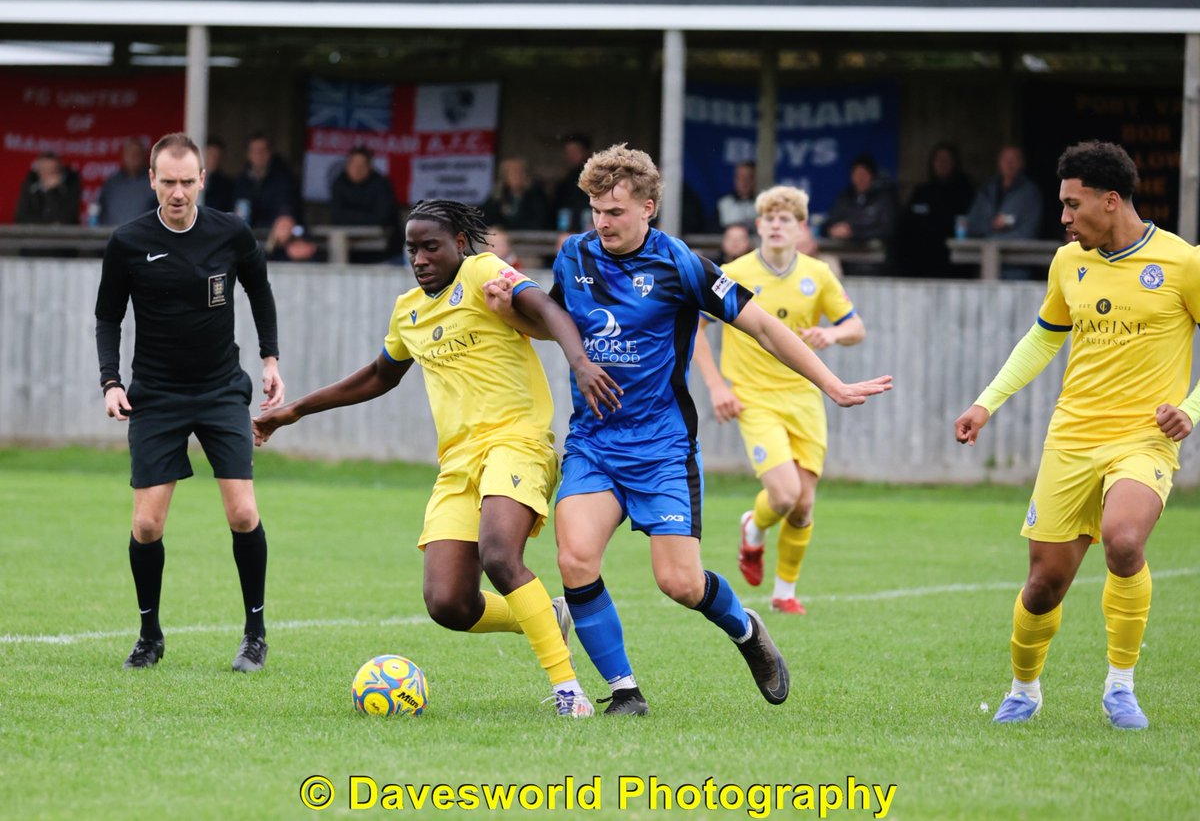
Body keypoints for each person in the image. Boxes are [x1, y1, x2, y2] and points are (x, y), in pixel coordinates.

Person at [486, 144, 891, 715]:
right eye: (597, 211)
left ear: (649, 207)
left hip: (662, 448)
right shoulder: (574, 256)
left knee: (679, 583)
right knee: (575, 560)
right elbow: (560, 329)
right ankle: (625, 691)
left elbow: (765, 330)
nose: (603, 223)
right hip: (593, 444)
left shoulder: (681, 264)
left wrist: (833, 383)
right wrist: (508, 313)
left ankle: (747, 631)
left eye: (616, 212)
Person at [252, 200, 622, 718]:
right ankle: (540, 613)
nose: (420, 258)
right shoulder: (409, 310)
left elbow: (546, 307)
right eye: (412, 249)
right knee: (449, 603)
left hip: (517, 441)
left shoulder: (482, 272)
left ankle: (569, 691)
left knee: (499, 554)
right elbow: (379, 375)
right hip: (457, 462)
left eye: (431, 247)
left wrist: (579, 363)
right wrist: (295, 410)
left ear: (460, 245)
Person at [955, 141, 1200, 730]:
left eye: (1072, 204)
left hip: (1143, 439)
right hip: (1071, 439)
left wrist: (1191, 408)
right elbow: (1044, 337)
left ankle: (1121, 687)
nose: (1063, 217)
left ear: (1110, 200)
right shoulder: (1069, 262)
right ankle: (1025, 690)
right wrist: (987, 403)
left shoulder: (1183, 263)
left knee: (1122, 541)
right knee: (1043, 584)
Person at [94, 132, 284, 672]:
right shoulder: (128, 241)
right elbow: (108, 316)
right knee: (148, 526)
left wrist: (270, 360)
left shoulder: (231, 232)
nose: (178, 192)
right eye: (168, 181)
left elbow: (259, 289)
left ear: (202, 180)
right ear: (152, 180)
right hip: (154, 394)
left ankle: (255, 634)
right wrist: (111, 382)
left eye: (187, 181)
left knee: (244, 512)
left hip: (221, 386)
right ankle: (149, 635)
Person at [693, 186, 866, 616]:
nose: (775, 225)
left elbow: (856, 326)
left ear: (800, 228)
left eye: (785, 219)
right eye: (768, 218)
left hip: (805, 398)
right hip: (754, 399)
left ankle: (784, 592)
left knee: (804, 505)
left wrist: (834, 333)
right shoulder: (732, 272)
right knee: (785, 495)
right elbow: (696, 328)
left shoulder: (818, 275)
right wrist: (717, 386)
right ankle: (753, 527)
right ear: (758, 225)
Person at [895, 142, 974, 278]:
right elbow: (905, 225)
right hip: (919, 262)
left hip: (951, 264)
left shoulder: (964, 193)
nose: (942, 164)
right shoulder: (921, 192)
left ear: (954, 163)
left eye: (946, 160)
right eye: (938, 160)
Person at [329, 146, 400, 264]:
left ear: (370, 167)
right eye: (353, 164)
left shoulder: (381, 185)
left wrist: (349, 216)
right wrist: (366, 217)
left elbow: (381, 217)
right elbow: (336, 216)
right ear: (347, 165)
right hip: (350, 252)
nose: (357, 169)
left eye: (361, 165)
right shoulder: (339, 183)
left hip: (384, 253)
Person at [965, 145, 1042, 241]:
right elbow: (970, 225)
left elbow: (1030, 231)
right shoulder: (987, 190)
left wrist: (1008, 224)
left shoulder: (1030, 193)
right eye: (1005, 159)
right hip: (983, 250)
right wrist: (991, 225)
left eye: (1014, 159)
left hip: (1016, 252)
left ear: (1022, 163)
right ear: (999, 163)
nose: (1009, 163)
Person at [233, 132, 302, 229]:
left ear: (269, 153)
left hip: (273, 236)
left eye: (262, 151)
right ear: (248, 154)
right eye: (254, 151)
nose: (258, 155)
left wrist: (284, 217)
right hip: (246, 235)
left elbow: (285, 204)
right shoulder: (240, 181)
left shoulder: (283, 179)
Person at [824, 153, 897, 243]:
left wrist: (854, 234)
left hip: (875, 253)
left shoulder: (884, 199)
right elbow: (830, 222)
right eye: (857, 174)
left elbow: (888, 230)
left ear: (872, 176)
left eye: (864, 174)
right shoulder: (844, 197)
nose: (860, 178)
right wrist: (831, 230)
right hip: (845, 250)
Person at [98, 138, 158, 226]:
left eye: (137, 154)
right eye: (129, 154)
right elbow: (100, 213)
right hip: (113, 235)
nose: (133, 157)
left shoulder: (154, 182)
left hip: (144, 237)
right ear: (123, 156)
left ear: (144, 156)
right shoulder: (111, 184)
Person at [482, 157, 552, 231]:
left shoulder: (537, 195)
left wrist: (508, 228)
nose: (515, 176)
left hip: (531, 240)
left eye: (519, 172)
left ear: (526, 174)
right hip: (502, 239)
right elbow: (485, 218)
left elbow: (540, 223)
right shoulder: (498, 195)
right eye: (510, 172)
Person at [15, 152, 82, 225]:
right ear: (38, 170)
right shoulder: (30, 183)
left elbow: (65, 219)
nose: (49, 173)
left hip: (64, 234)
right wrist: (47, 224)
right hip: (35, 233)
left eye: (53, 169)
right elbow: (20, 218)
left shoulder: (71, 184)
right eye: (44, 169)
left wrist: (51, 191)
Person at [551, 133, 594, 234]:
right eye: (568, 152)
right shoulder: (565, 182)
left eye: (575, 151)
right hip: (566, 232)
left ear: (585, 152)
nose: (571, 156)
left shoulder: (595, 179)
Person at [715, 161, 757, 230]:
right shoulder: (724, 203)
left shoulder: (763, 204)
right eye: (740, 177)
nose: (744, 182)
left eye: (749, 178)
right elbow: (712, 232)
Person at [203, 138, 236, 213]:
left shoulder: (226, 185)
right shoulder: (190, 179)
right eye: (210, 155)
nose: (212, 160)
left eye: (216, 156)